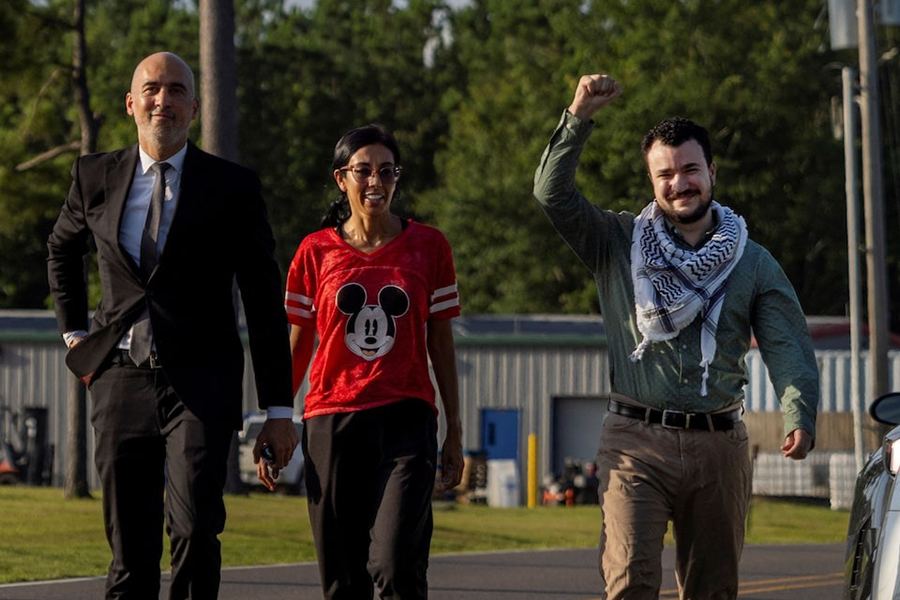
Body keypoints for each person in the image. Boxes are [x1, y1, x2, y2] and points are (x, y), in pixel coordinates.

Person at [533, 74, 819, 599]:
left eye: (690, 169)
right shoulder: (616, 243)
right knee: (629, 582)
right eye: (664, 174)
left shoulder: (752, 262)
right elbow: (552, 195)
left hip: (719, 446)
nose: (679, 183)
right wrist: (578, 117)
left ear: (711, 171)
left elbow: (787, 343)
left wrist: (799, 413)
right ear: (651, 181)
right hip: (635, 441)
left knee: (711, 591)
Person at [47, 52, 297, 600]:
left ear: (196, 106)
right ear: (132, 103)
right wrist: (74, 333)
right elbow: (61, 250)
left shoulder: (232, 187)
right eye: (152, 89)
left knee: (194, 531)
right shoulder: (94, 176)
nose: (165, 100)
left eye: (177, 90)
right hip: (118, 380)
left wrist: (280, 410)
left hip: (201, 387)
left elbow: (262, 300)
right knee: (130, 550)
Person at [262, 123, 464, 600]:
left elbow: (441, 344)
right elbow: (298, 344)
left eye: (386, 171)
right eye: (363, 170)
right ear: (341, 179)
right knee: (341, 575)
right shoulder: (315, 251)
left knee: (396, 564)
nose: (376, 181)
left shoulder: (429, 247)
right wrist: (275, 418)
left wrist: (454, 429)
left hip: (407, 420)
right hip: (331, 422)